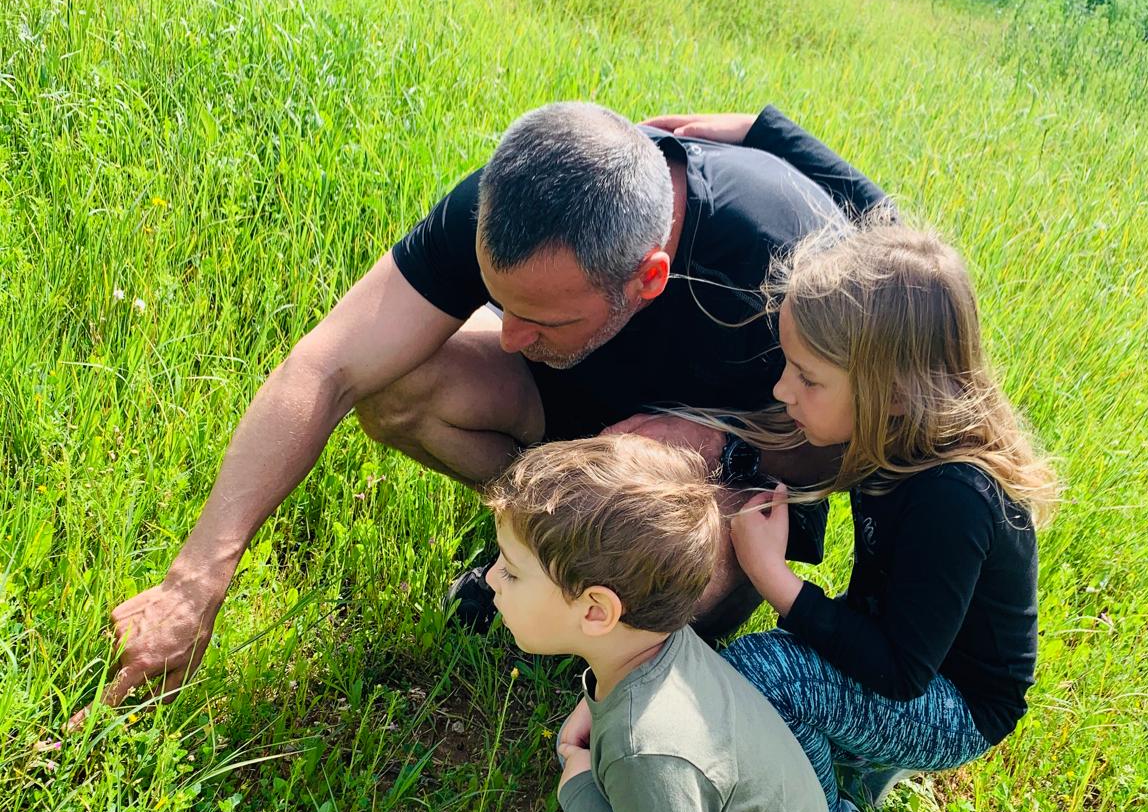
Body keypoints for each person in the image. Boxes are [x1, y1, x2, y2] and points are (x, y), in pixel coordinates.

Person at [91, 104, 890, 712]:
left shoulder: (781, 259)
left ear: (647, 280)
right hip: (586, 417)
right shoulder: (509, 208)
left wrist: (714, 448)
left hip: (727, 483)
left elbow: (852, 446)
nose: (507, 337)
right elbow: (327, 363)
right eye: (498, 304)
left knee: (681, 591)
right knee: (402, 383)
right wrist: (194, 581)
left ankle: (591, 583)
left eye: (541, 319)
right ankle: (546, 551)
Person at [484, 434, 853, 812]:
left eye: (513, 571)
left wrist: (579, 789)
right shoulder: (665, 642)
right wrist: (592, 702)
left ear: (598, 612)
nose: (493, 580)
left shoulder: (647, 746)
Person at [720, 219, 1059, 812]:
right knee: (777, 670)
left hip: (955, 704)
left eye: (807, 378)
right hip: (904, 654)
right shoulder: (896, 440)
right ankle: (855, 763)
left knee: (765, 673)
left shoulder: (954, 497)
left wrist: (777, 581)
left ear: (895, 393)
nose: (781, 390)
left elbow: (902, 672)